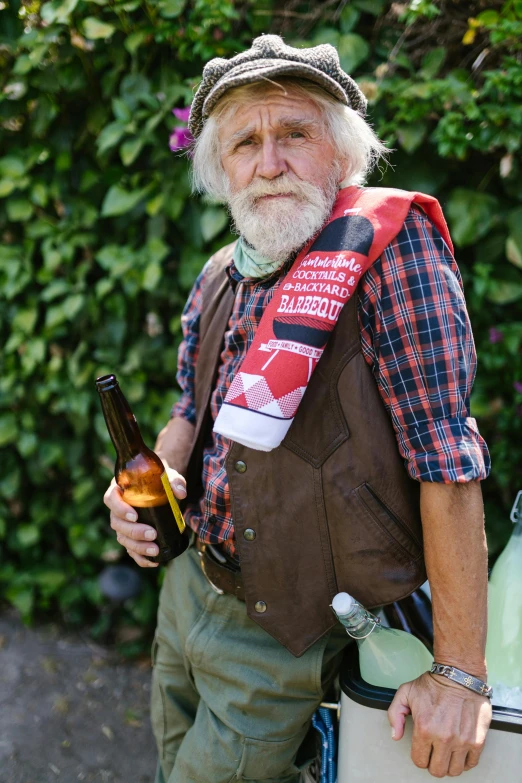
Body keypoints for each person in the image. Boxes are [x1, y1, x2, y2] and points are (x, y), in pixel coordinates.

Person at [104, 35, 493, 783]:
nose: (269, 161)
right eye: (245, 142)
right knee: (166, 757)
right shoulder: (223, 269)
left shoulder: (392, 255)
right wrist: (141, 486)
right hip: (188, 593)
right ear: (222, 169)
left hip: (288, 630)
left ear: (343, 154)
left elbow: (448, 460)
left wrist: (460, 673)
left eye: (294, 133)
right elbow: (189, 412)